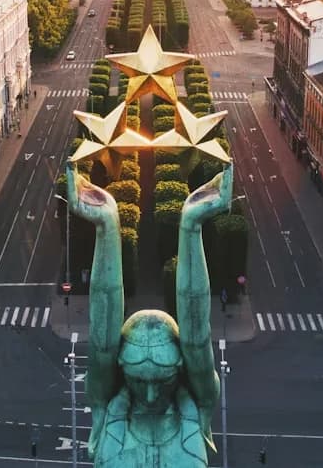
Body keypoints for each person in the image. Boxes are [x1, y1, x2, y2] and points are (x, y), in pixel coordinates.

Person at [68, 162, 232, 466]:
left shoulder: (199, 401)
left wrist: (191, 225)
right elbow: (103, 338)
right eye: (138, 381)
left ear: (180, 368)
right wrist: (106, 226)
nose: (151, 396)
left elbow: (197, 336)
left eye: (163, 380)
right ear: (121, 369)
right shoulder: (192, 415)